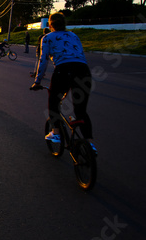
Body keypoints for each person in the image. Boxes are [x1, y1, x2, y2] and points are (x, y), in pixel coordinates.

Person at [30, 13, 96, 152]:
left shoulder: (47, 37)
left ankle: (56, 133)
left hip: (63, 71)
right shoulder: (73, 35)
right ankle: (90, 144)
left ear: (50, 25)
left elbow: (43, 60)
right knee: (81, 111)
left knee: (53, 101)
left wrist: (37, 81)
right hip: (83, 71)